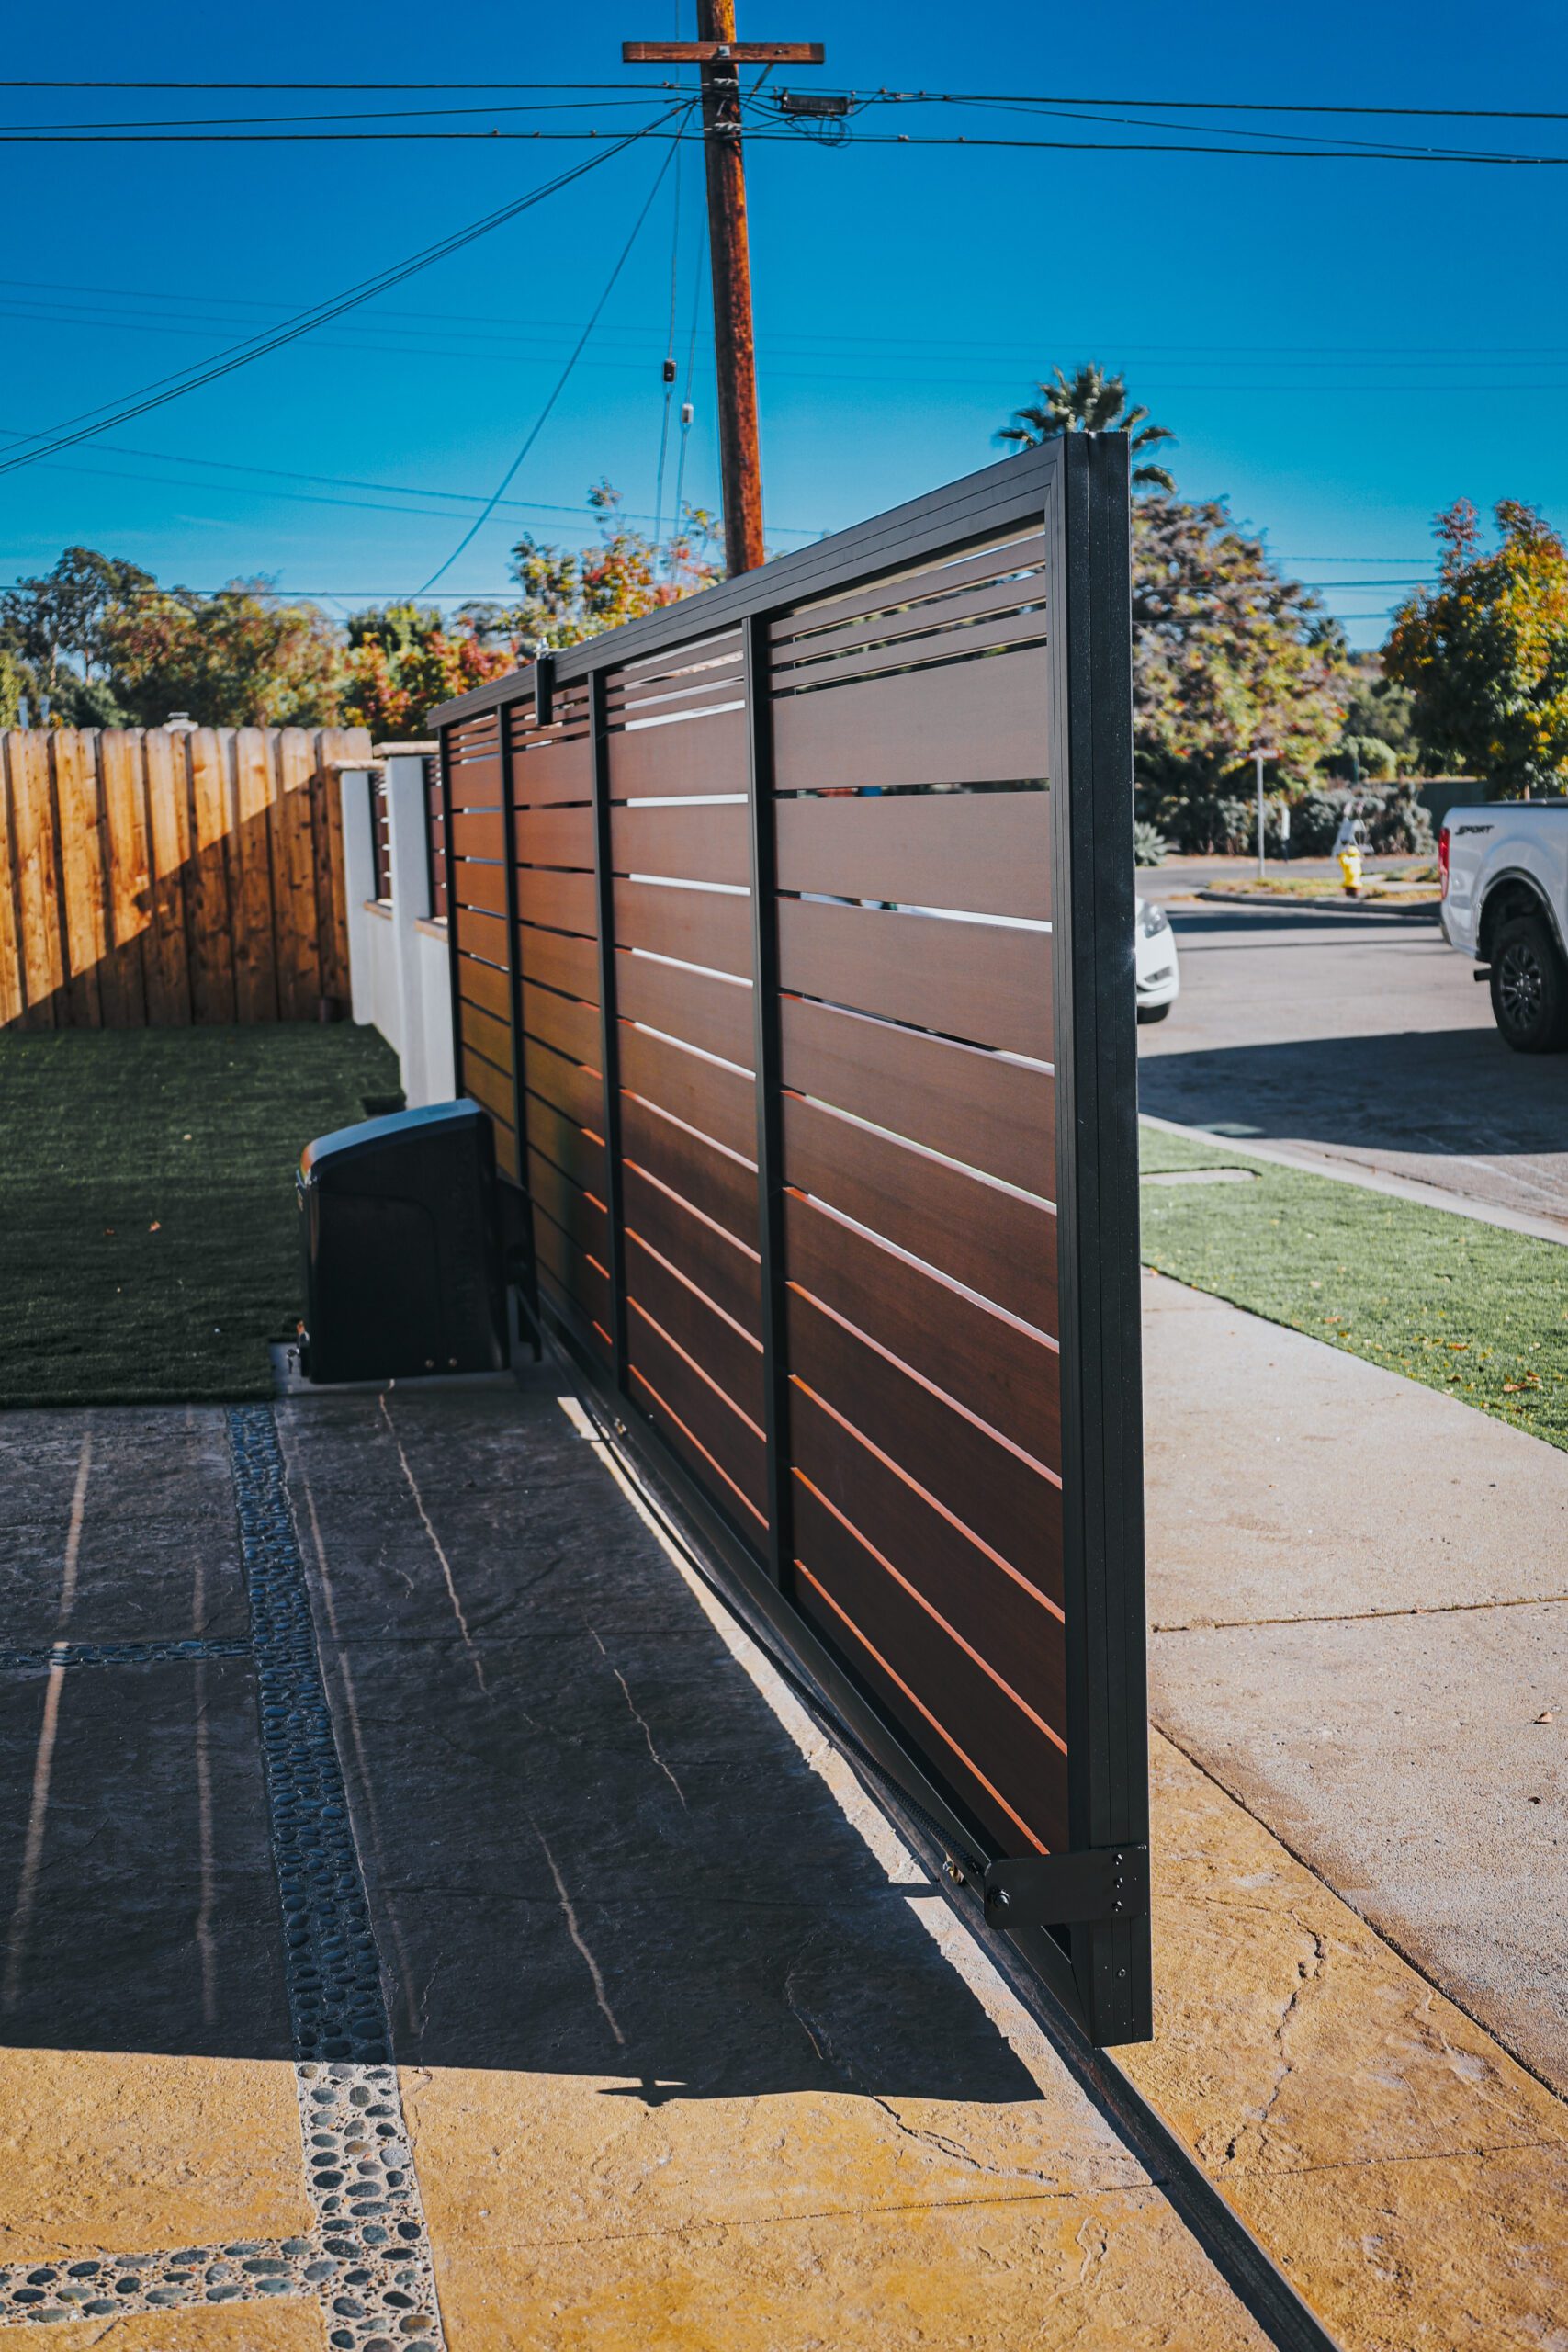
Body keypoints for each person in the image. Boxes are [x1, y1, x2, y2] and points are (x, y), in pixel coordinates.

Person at [1333, 801, 1368, 896]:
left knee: (1348, 822)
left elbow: (1343, 859)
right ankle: (1356, 810)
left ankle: (1352, 811)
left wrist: (1343, 853)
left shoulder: (1354, 860)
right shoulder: (1356, 859)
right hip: (1352, 846)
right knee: (1351, 823)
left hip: (1349, 845)